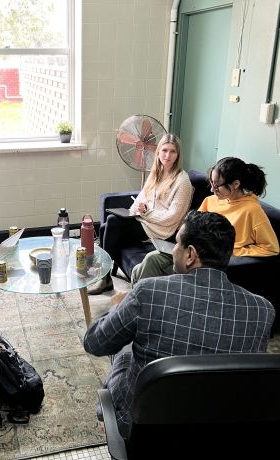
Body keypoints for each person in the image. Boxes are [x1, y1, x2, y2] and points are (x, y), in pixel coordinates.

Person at [84, 210, 275, 440]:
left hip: (142, 430)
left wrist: (116, 307)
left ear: (190, 254)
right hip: (222, 429)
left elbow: (94, 343)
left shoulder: (149, 291)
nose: (173, 250)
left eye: (176, 244)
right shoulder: (263, 310)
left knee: (125, 348)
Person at [130, 156, 280, 284]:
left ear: (235, 184)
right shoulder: (211, 201)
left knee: (149, 264)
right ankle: (138, 300)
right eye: (211, 183)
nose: (212, 189)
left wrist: (235, 251)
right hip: (192, 252)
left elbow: (271, 247)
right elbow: (192, 227)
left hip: (209, 263)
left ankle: (136, 303)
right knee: (150, 260)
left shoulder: (252, 210)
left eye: (217, 185)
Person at [88, 133, 193, 294]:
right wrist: (136, 209)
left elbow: (173, 217)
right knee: (106, 227)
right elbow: (140, 198)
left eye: (173, 151)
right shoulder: (156, 172)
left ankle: (104, 278)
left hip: (161, 230)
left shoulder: (182, 181)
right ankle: (104, 276)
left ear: (178, 155)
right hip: (145, 221)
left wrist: (147, 213)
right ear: (158, 152)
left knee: (112, 222)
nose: (167, 155)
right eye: (164, 150)